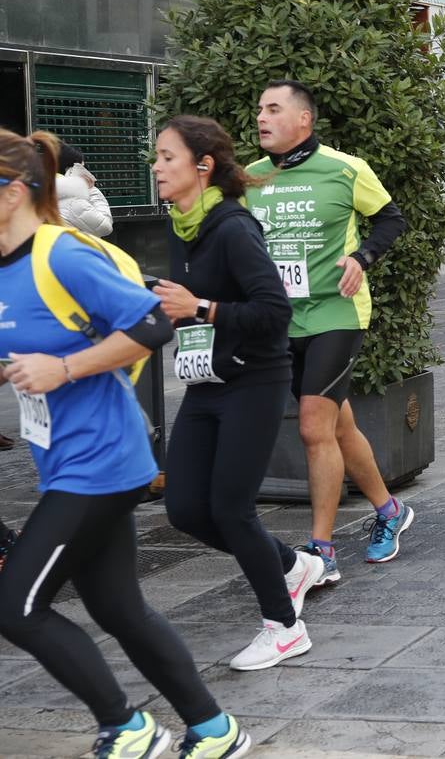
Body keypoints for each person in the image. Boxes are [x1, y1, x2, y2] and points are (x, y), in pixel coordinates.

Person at [0, 127, 251, 759]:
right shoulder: (5, 267)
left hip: (101, 460)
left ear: (11, 192)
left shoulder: (61, 254)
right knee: (120, 610)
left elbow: (151, 321)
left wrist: (64, 368)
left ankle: (126, 726)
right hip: (65, 462)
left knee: (15, 606)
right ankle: (214, 730)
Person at [153, 116, 327, 672]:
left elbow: (275, 312)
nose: (155, 166)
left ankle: (284, 626)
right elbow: (183, 305)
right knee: (183, 507)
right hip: (206, 382)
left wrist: (201, 309)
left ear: (202, 167)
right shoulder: (183, 228)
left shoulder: (232, 228)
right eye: (156, 156)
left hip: (255, 381)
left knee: (230, 508)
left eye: (166, 157)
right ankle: (290, 565)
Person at [245, 80, 412, 577]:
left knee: (313, 424)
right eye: (259, 109)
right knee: (339, 424)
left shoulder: (345, 169)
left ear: (303, 119)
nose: (261, 117)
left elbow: (391, 220)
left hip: (337, 312)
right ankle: (390, 511)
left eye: (273, 109)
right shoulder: (251, 177)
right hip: (281, 317)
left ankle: (321, 551)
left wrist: (362, 257)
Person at [56, 142, 113, 237]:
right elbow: (105, 227)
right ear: (70, 170)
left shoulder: (41, 192)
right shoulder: (72, 201)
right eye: (82, 168)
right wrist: (91, 190)